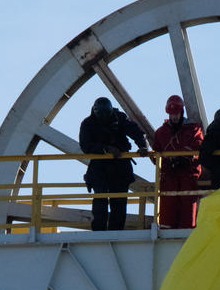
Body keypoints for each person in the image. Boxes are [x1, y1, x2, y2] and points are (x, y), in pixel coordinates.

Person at [79, 96, 150, 231]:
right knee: (102, 201)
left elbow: (136, 132)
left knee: (118, 202)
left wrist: (143, 146)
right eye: (102, 115)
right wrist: (106, 148)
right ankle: (100, 231)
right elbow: (85, 145)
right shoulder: (88, 124)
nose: (104, 118)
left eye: (107, 115)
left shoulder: (119, 119)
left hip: (118, 168)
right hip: (100, 169)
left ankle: (114, 231)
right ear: (96, 112)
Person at [152, 95, 204, 229]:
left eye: (176, 114)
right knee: (168, 202)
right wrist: (168, 160)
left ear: (182, 112)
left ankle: (187, 227)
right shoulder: (161, 133)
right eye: (171, 114)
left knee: (188, 200)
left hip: (188, 173)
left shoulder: (193, 130)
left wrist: (186, 158)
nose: (174, 117)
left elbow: (199, 148)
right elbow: (155, 154)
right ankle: (166, 227)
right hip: (169, 174)